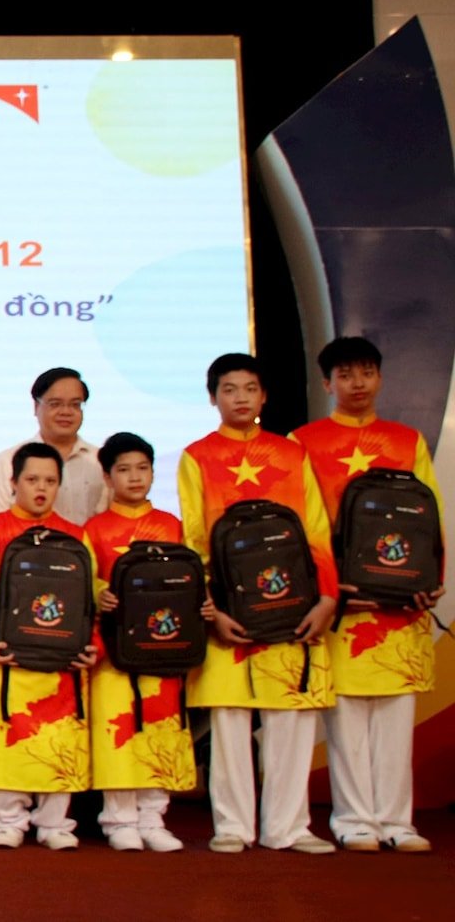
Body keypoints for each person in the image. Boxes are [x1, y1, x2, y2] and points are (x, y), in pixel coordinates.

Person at [180, 353, 338, 854]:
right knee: (229, 720)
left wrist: (327, 597)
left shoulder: (291, 453)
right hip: (229, 609)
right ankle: (232, 825)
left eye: (250, 388)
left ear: (264, 395)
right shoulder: (197, 456)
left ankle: (289, 827)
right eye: (229, 389)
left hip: (294, 604)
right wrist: (211, 608)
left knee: (291, 717)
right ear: (213, 398)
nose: (241, 398)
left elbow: (316, 530)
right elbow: (194, 539)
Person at [290, 336, 443, 853]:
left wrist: (429, 580)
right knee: (348, 718)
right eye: (346, 375)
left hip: (400, 601)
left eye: (366, 373)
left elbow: (430, 519)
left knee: (397, 716)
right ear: (327, 383)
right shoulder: (303, 441)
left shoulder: (407, 441)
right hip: (342, 603)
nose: (357, 384)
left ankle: (398, 820)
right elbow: (304, 527)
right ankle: (354, 818)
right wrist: (328, 589)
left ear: (380, 378)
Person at [0, 443, 95, 849]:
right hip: (8, 659)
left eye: (50, 481)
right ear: (13, 482)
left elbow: (90, 601)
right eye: (32, 479)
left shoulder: (76, 536)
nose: (41, 488)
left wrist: (92, 644)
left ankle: (55, 824)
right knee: (9, 738)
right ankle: (7, 820)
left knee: (58, 740)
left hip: (61, 664)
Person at [83, 432, 196, 852]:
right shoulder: (94, 529)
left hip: (165, 647)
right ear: (107, 477)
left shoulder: (171, 525)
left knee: (160, 730)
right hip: (115, 651)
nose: (135, 477)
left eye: (143, 468)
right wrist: (99, 592)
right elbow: (85, 582)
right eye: (124, 470)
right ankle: (119, 820)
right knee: (119, 731)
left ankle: (153, 818)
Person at [0, 367, 105, 523]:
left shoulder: (101, 461)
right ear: (36, 407)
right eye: (55, 404)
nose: (66, 412)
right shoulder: (7, 461)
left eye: (75, 404)